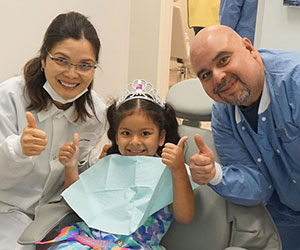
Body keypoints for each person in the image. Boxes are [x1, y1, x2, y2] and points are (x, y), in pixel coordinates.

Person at [40, 79, 195, 249]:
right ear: (115, 136)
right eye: (126, 133)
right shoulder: (109, 164)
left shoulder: (168, 170)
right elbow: (80, 203)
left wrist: (178, 169)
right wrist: (71, 166)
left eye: (145, 133)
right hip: (89, 241)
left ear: (161, 137)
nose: (135, 142)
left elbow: (185, 216)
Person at [0, 11, 107, 250]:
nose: (71, 73)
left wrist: (99, 162)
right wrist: (17, 149)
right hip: (5, 211)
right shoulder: (9, 97)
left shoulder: (97, 112)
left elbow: (82, 173)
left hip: (56, 216)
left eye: (84, 65)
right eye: (61, 60)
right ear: (43, 58)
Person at [189, 24, 300, 250]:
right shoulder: (223, 114)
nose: (218, 77)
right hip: (288, 212)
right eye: (206, 75)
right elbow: (257, 185)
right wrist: (214, 174)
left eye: (223, 60)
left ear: (249, 49)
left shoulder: (295, 82)